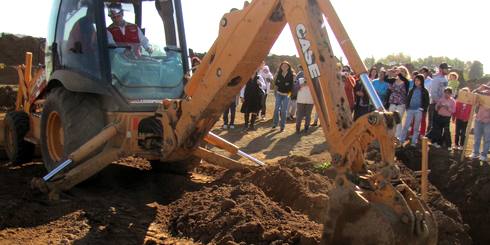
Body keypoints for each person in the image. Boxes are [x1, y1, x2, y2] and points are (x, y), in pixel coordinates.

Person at [399, 74, 430, 146]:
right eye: (415, 80)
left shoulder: (424, 91)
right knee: (406, 125)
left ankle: (413, 141)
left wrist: (422, 109)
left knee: (416, 127)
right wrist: (407, 107)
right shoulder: (412, 90)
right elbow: (408, 99)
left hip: (418, 111)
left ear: (421, 81)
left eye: (418, 80)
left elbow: (427, 102)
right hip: (410, 110)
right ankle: (401, 140)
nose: (416, 82)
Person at [386, 67, 410, 140]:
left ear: (406, 73)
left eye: (403, 71)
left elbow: (403, 78)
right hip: (392, 102)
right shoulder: (394, 80)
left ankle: (398, 137)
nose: (401, 72)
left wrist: (398, 73)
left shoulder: (406, 82)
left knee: (398, 120)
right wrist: (388, 72)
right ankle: (390, 135)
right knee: (390, 119)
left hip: (401, 103)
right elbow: (385, 79)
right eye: (400, 71)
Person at [427, 63, 450, 133]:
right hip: (435, 104)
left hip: (442, 105)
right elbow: (433, 93)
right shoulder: (436, 79)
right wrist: (439, 103)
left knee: (439, 125)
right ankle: (428, 141)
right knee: (433, 125)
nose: (448, 70)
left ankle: (437, 141)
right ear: (441, 69)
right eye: (446, 68)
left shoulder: (445, 78)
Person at [469, 84, 490, 161]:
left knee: (487, 139)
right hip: (479, 119)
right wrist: (479, 88)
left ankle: (484, 155)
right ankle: (475, 153)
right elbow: (471, 95)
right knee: (477, 138)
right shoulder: (483, 93)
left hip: (488, 122)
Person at [273, 61, 295, 132]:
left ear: (288, 67)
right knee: (276, 109)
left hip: (286, 95)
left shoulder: (291, 75)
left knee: (283, 110)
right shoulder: (279, 74)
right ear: (281, 67)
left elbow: (292, 87)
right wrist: (275, 93)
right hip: (279, 94)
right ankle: (275, 124)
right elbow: (276, 85)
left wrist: (289, 95)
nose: (284, 67)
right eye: (282, 66)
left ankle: (282, 126)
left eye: (286, 66)